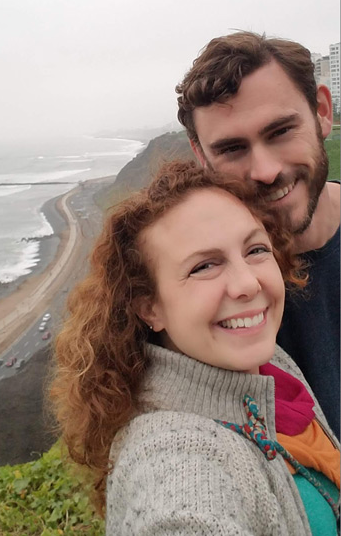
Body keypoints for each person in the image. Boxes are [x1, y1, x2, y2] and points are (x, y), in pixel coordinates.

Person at [51, 161, 339, 535]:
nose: (247, 283)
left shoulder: (269, 368)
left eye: (255, 250)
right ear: (149, 306)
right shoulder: (176, 463)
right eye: (204, 266)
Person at [175, 31, 340, 439]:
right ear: (202, 157)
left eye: (280, 131)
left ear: (322, 111)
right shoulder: (201, 296)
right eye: (232, 149)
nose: (265, 170)